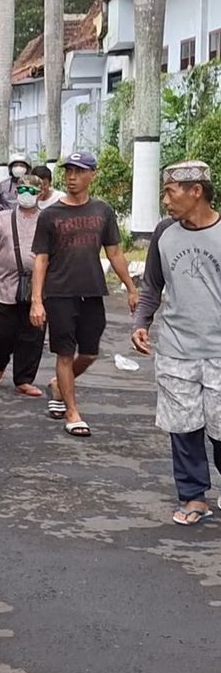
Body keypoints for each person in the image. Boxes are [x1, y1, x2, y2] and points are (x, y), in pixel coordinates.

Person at [132, 160, 221, 525]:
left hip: (218, 352)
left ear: (195, 191)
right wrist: (142, 322)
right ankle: (194, 497)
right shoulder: (164, 233)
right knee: (183, 428)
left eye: (170, 192)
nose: (166, 200)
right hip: (176, 349)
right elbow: (152, 283)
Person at [30, 151, 140, 438]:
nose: (72, 177)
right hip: (59, 293)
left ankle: (58, 386)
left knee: (89, 353)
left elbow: (114, 252)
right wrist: (37, 300)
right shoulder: (50, 215)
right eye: (68, 171)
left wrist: (130, 287)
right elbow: (41, 259)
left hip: (91, 292)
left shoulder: (102, 211)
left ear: (93, 175)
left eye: (79, 171)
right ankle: (72, 411)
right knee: (64, 353)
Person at [0, 174, 47, 397]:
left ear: (41, 194)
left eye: (32, 191)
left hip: (37, 289)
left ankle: (24, 379)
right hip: (4, 288)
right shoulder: (2, 219)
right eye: (22, 190)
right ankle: (0, 363)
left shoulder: (47, 220)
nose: (26, 195)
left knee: (32, 336)